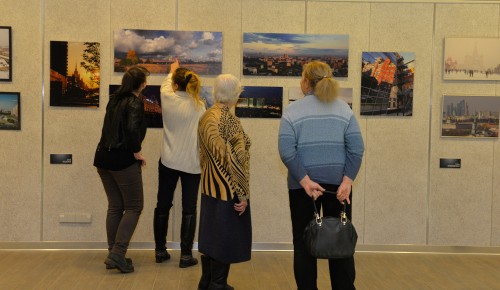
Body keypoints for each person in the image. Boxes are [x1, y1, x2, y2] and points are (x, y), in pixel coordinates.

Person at [278, 61, 364, 290]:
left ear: (306, 82)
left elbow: (286, 150)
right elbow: (357, 148)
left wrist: (305, 181)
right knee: (341, 243)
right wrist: (347, 181)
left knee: (303, 244)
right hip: (339, 189)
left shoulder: (292, 111)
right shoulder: (344, 109)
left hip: (302, 187)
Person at [197, 74, 252, 290]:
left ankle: (208, 281)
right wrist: (243, 195)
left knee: (212, 237)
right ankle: (218, 284)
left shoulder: (206, 115)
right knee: (225, 240)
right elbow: (237, 161)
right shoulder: (230, 120)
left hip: (210, 187)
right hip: (228, 190)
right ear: (235, 95)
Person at [93, 66, 149, 273]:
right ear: (141, 84)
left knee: (115, 206)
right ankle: (117, 254)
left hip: (102, 158)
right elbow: (133, 131)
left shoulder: (114, 99)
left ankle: (113, 253)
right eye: (145, 81)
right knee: (134, 207)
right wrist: (136, 152)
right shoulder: (135, 102)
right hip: (122, 160)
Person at [154, 59, 206, 268]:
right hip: (192, 164)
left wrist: (172, 69)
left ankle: (159, 251)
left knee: (163, 206)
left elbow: (167, 83)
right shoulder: (199, 106)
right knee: (189, 209)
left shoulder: (167, 97)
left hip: (168, 160)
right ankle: (185, 256)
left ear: (176, 85)